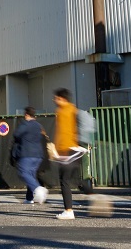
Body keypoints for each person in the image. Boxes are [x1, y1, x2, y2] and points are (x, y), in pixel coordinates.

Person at [51, 88, 83, 219]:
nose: (54, 100)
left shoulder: (62, 112)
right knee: (76, 180)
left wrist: (58, 150)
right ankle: (96, 196)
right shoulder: (74, 109)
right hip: (76, 149)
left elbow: (62, 134)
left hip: (67, 151)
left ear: (62, 99)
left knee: (64, 181)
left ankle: (68, 210)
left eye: (57, 98)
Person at [12, 107, 47, 204]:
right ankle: (29, 198)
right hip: (38, 154)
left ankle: (38, 188)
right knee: (31, 174)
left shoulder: (26, 124)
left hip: (27, 153)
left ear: (26, 115)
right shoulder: (39, 125)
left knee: (23, 172)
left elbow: (16, 134)